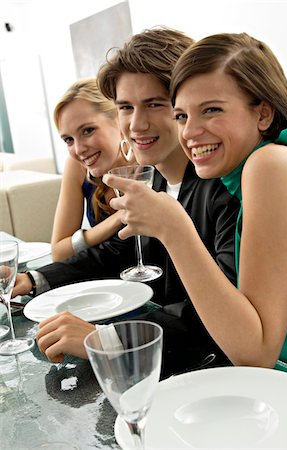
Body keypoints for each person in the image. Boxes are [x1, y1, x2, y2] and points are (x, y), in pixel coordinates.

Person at [13, 28, 239, 377]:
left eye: (154, 104)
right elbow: (118, 250)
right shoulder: (154, 178)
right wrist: (35, 278)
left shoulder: (226, 189)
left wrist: (107, 340)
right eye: (125, 107)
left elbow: (220, 317)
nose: (137, 124)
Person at [103, 32, 287, 374]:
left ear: (263, 114)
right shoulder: (258, 169)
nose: (190, 133)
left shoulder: (270, 166)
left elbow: (255, 354)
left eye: (211, 110)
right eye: (181, 116)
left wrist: (175, 229)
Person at [50, 78, 134, 261]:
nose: (79, 149)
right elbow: (58, 252)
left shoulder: (147, 164)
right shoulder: (77, 167)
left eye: (87, 130)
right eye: (68, 140)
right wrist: (118, 218)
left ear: (119, 122)